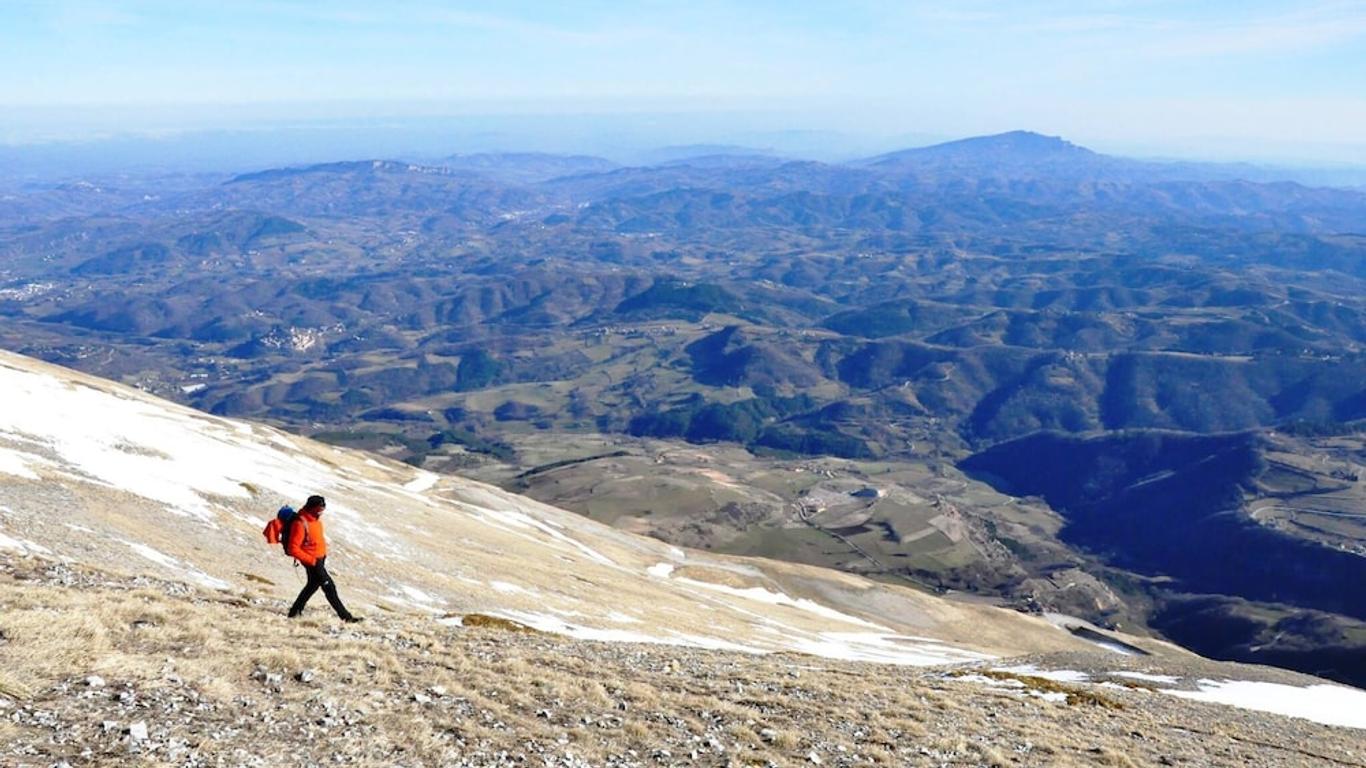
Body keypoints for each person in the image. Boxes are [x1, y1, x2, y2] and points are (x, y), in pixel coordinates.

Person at [286, 495, 362, 623]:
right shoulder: (300, 523)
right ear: (312, 508)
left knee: (312, 586)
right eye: (320, 508)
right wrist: (312, 561)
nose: (322, 511)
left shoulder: (315, 520)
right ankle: (346, 617)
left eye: (323, 508)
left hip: (319, 560)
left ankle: (294, 612)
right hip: (313, 562)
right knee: (329, 587)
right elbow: (293, 549)